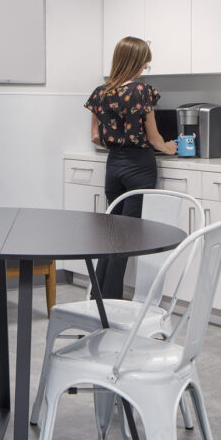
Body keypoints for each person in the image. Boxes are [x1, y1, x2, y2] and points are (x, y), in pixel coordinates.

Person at [85, 36, 177, 301]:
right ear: (136, 62)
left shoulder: (100, 92)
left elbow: (94, 137)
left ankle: (98, 297)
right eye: (144, 62)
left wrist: (117, 140)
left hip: (113, 165)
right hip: (139, 166)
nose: (145, 67)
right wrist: (169, 148)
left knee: (111, 233)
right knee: (127, 237)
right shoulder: (141, 92)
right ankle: (112, 301)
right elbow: (153, 137)